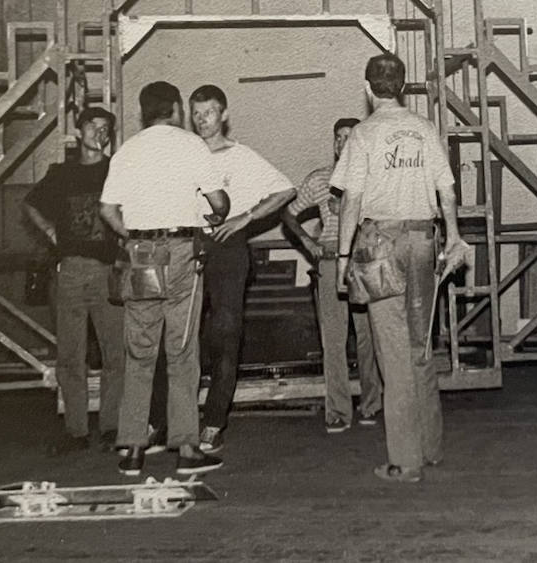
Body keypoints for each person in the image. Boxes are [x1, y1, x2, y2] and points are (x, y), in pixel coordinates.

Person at [331, 53, 471, 484]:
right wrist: (452, 238)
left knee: (392, 354)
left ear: (369, 89)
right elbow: (447, 192)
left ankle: (405, 462)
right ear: (405, 87)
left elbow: (351, 202)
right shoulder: (425, 129)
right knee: (420, 346)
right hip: (424, 241)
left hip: (382, 245)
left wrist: (341, 258)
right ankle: (430, 447)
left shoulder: (364, 134)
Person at [99, 81, 230, 476]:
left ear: (143, 111)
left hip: (141, 254)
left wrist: (132, 237)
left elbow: (107, 210)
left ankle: (134, 449)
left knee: (140, 353)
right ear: (175, 108)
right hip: (179, 253)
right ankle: (188, 449)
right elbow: (220, 204)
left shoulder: (126, 151)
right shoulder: (191, 146)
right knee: (182, 350)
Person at [189, 84, 296, 453]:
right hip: (187, 247)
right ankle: (174, 420)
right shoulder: (183, 154)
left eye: (209, 112)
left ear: (224, 115)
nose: (202, 120)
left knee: (225, 333)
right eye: (196, 113)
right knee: (183, 337)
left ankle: (214, 421)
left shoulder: (242, 155)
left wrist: (245, 218)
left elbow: (285, 190)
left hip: (227, 249)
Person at [22, 106, 123, 455]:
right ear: (79, 131)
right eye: (94, 126)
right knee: (70, 355)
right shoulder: (61, 174)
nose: (101, 133)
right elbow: (30, 203)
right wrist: (49, 229)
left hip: (107, 272)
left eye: (106, 127)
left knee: (115, 354)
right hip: (71, 272)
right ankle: (76, 431)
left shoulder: (117, 169)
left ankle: (111, 427)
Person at [281, 117, 383, 434]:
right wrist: (309, 242)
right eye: (338, 137)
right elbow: (288, 212)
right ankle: (338, 410)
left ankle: (372, 404)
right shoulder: (319, 180)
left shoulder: (374, 177)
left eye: (349, 137)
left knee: (368, 337)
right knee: (334, 340)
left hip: (363, 260)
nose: (343, 143)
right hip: (328, 261)